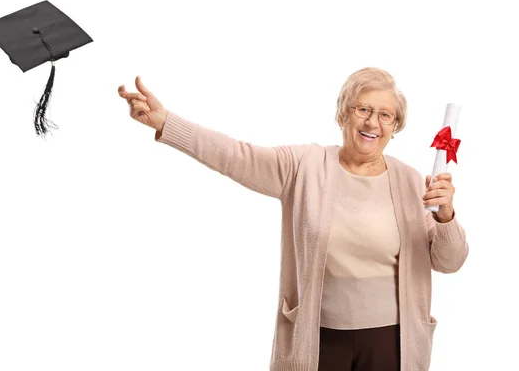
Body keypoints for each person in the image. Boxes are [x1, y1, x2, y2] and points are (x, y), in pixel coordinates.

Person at [118, 67, 468, 371]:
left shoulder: (411, 181)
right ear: (344, 113)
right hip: (317, 340)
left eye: (385, 115)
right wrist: (167, 122)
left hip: (392, 341)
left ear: (395, 126)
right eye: (363, 109)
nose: (372, 123)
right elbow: (235, 156)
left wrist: (446, 217)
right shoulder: (303, 166)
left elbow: (448, 263)